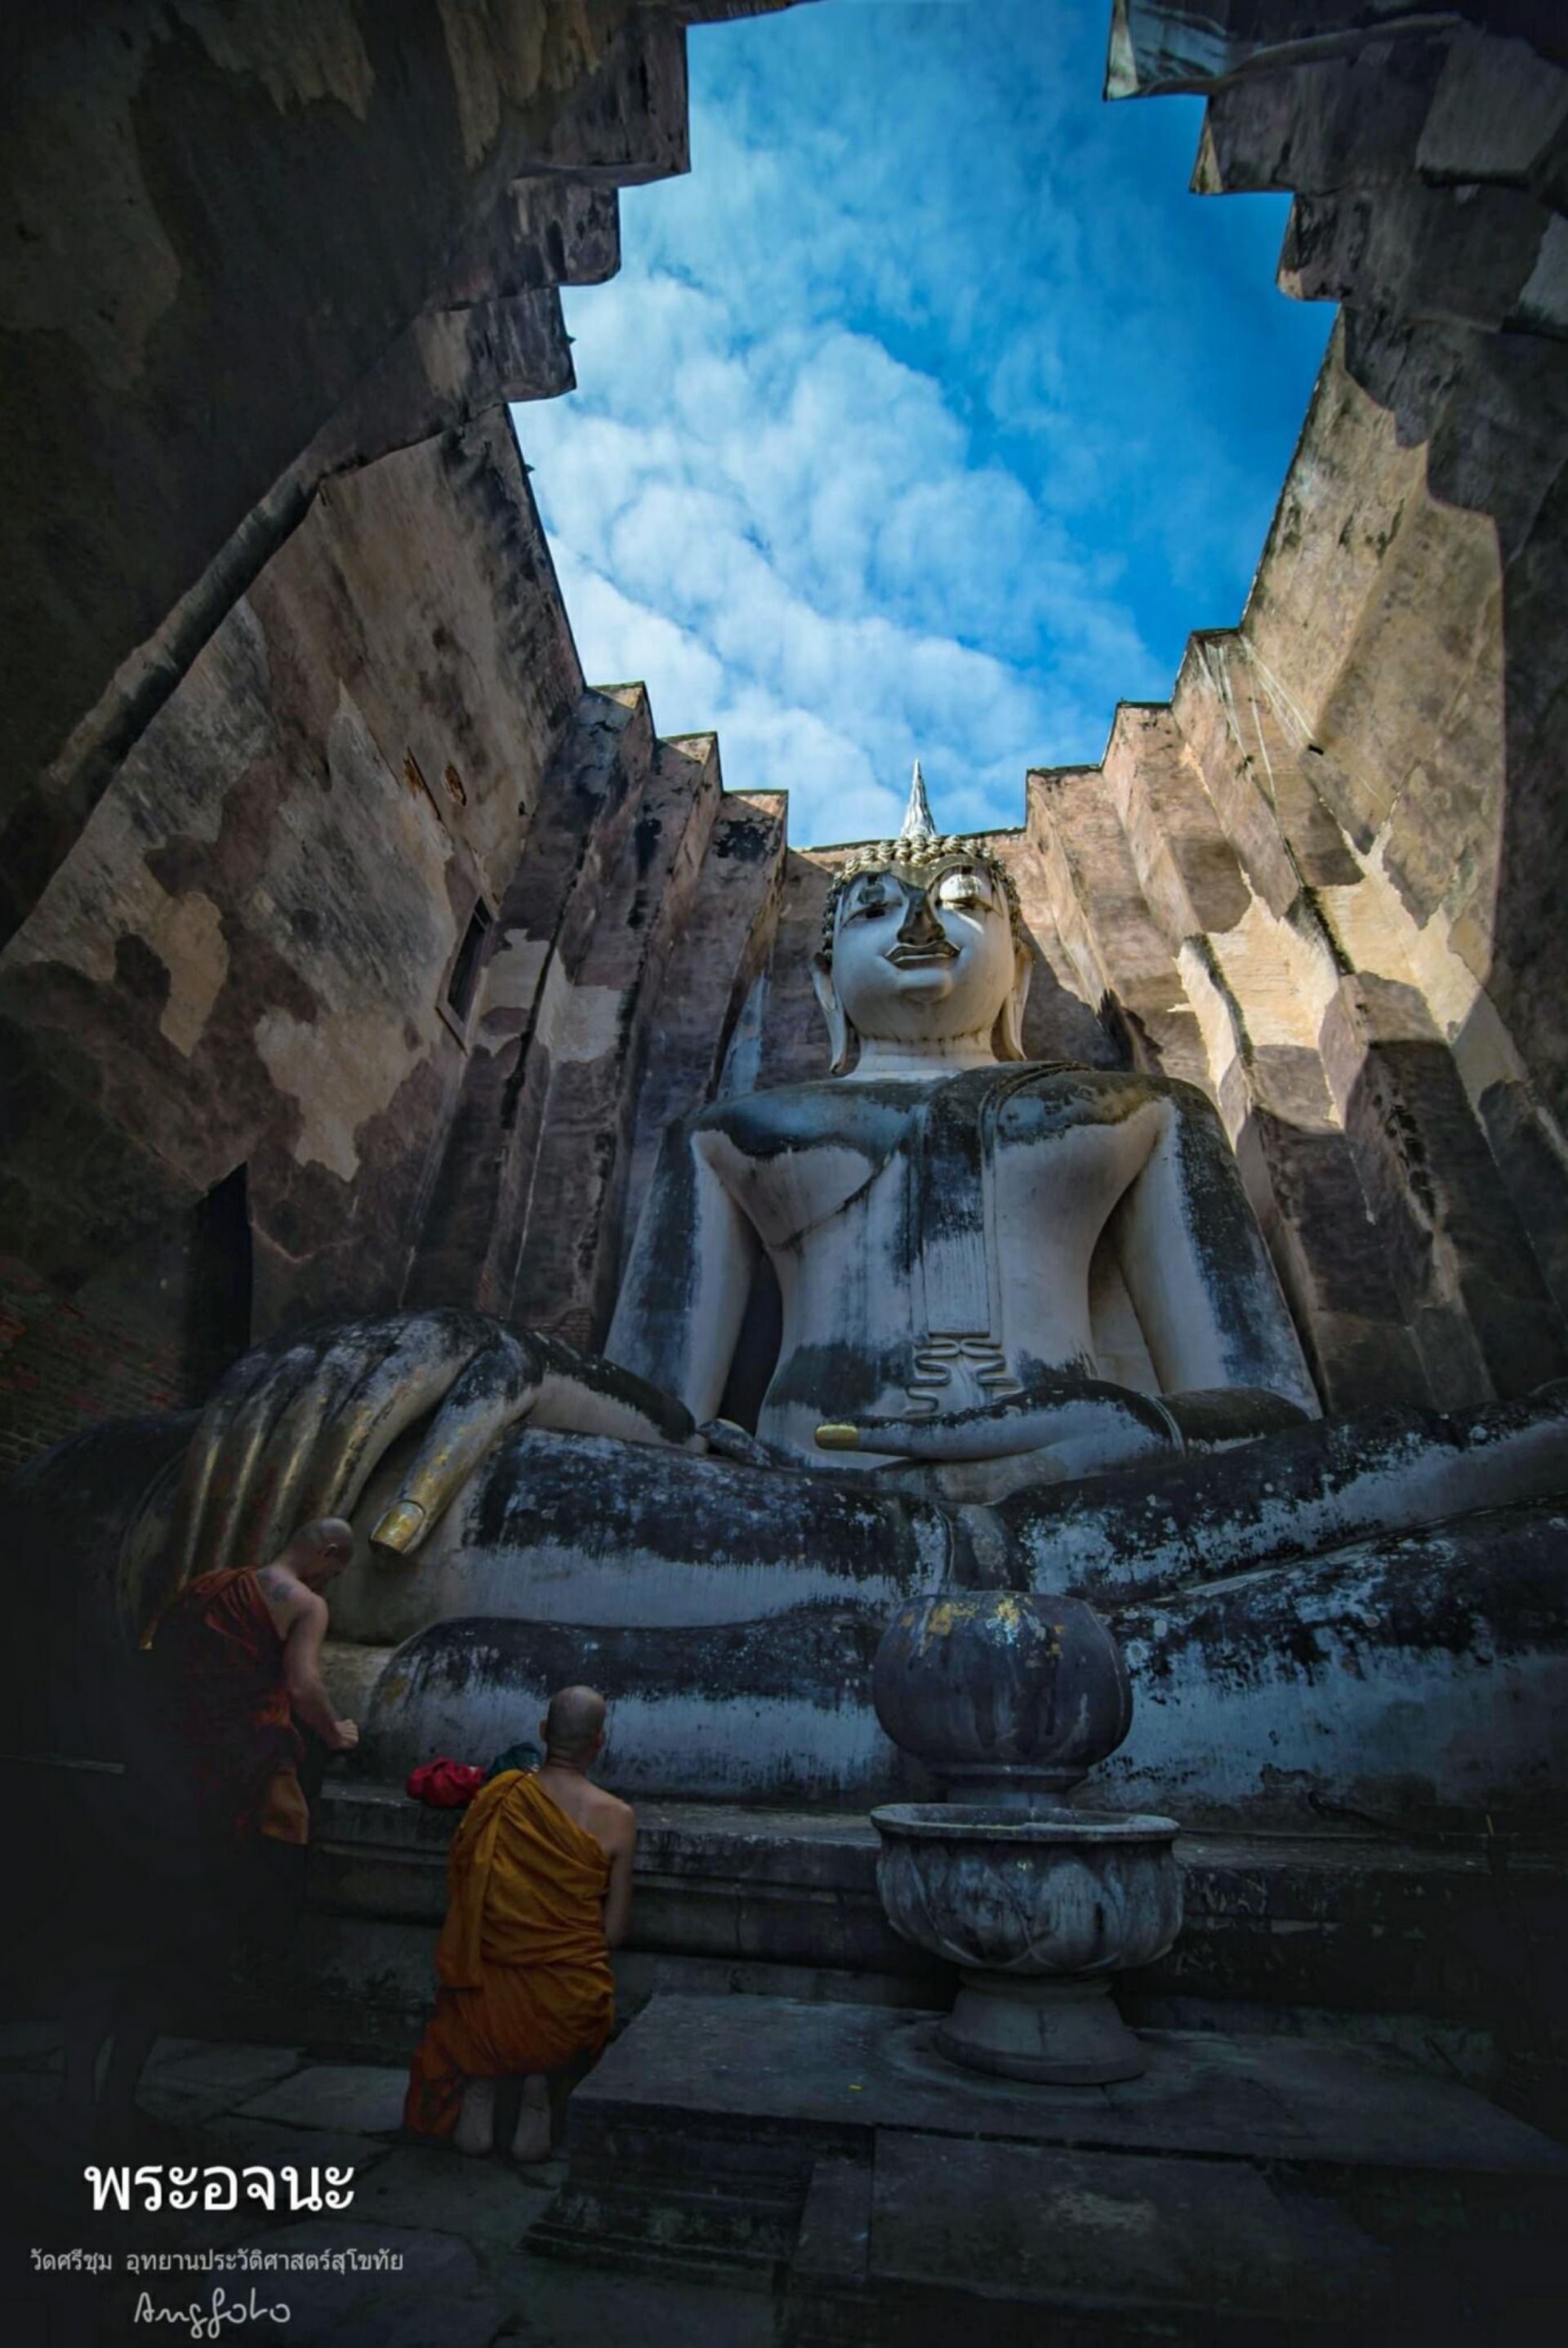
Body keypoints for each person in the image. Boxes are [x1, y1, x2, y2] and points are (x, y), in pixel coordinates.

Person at [60, 1517, 359, 2145]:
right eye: (340, 1565)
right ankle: (119, 2099)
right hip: (224, 1792)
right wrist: (336, 1734)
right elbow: (303, 1686)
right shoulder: (304, 1604)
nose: (335, 1577)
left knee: (112, 1950)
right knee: (166, 1955)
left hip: (157, 1777)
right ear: (328, 1553)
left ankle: (75, 2094)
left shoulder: (210, 1585)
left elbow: (163, 1665)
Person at [404, 1685, 635, 2161]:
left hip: (487, 1996)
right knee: (569, 1999)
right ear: (600, 1742)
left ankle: (482, 2081)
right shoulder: (618, 1818)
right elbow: (612, 1933)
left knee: (488, 1987)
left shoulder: (501, 1796)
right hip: (564, 2002)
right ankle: (538, 2086)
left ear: (544, 1732)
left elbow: (468, 1900)